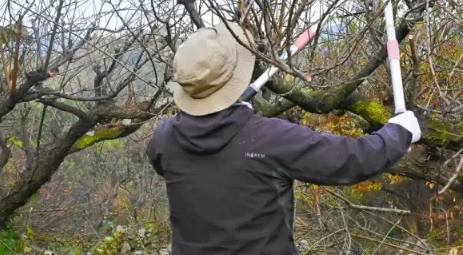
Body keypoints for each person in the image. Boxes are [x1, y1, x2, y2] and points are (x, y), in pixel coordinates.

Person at [145, 21, 422, 255]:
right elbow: (353, 160)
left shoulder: (165, 139)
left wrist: (226, 108)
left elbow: (167, 157)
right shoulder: (270, 139)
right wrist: (399, 132)